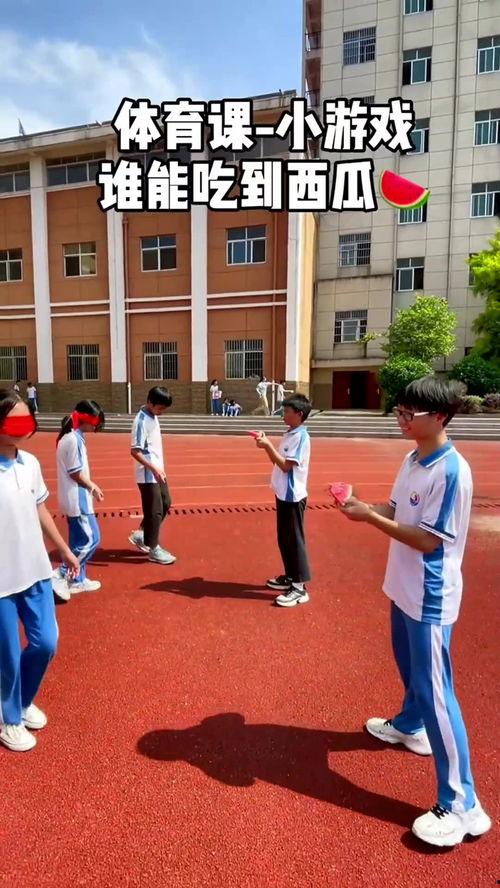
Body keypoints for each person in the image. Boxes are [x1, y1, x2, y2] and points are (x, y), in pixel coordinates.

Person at [335, 376, 492, 848]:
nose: (401, 419)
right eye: (399, 410)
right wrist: (365, 506)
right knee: (410, 671)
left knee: (437, 693)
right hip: (403, 587)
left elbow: (427, 540)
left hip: (430, 596)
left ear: (439, 417)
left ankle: (463, 804)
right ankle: (410, 725)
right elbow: (396, 509)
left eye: (410, 413)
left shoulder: (451, 471)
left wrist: (370, 518)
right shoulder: (412, 458)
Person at [0, 388, 79, 752]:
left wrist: (64, 550)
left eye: (25, 419)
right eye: (13, 420)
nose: (22, 426)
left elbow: (40, 509)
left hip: (35, 570)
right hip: (2, 581)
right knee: (7, 657)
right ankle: (10, 720)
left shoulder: (30, 463)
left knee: (46, 642)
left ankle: (22, 700)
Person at [253, 393, 312, 607]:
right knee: (284, 539)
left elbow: (287, 466)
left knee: (294, 540)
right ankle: (290, 576)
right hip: (282, 493)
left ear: (299, 414)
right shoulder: (290, 434)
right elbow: (278, 462)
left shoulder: (301, 437)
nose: (283, 415)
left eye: (287, 411)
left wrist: (268, 445)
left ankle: (299, 587)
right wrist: (267, 445)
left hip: (293, 496)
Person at [53, 400, 105, 597]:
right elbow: (75, 472)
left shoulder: (71, 437)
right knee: (92, 539)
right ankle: (63, 572)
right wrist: (92, 486)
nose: (96, 427)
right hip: (78, 499)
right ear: (87, 419)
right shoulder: (73, 439)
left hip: (72, 497)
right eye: (96, 422)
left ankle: (77, 580)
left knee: (78, 542)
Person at [128, 386, 176, 565]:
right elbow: (135, 451)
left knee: (166, 502)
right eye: (160, 408)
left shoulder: (152, 416)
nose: (161, 412)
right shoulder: (141, 421)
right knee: (155, 510)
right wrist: (153, 468)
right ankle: (153, 548)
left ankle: (142, 533)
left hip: (157, 470)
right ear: (150, 402)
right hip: (148, 473)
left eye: (164, 409)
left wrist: (158, 468)